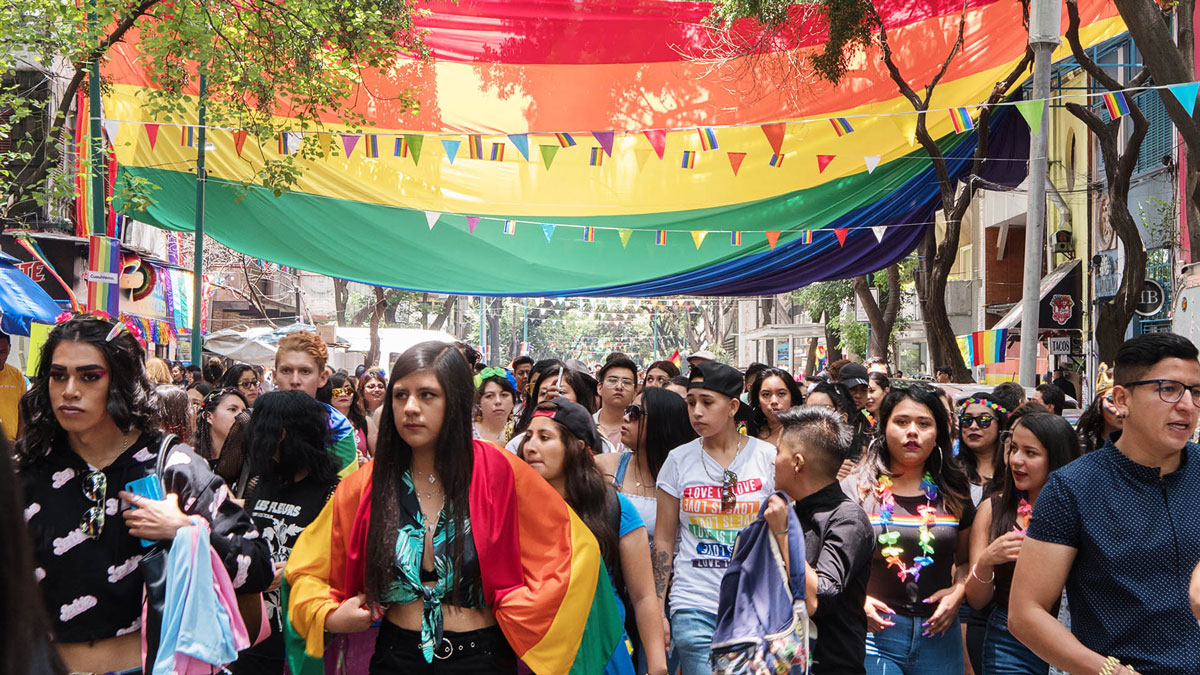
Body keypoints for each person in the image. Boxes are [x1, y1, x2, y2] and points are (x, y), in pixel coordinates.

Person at [284, 341, 630, 675]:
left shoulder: (501, 472)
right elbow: (306, 568)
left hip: (483, 657)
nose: (410, 408)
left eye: (427, 395)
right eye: (400, 395)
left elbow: (576, 551)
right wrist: (329, 616)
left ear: (457, 401)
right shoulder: (368, 483)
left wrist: (518, 609)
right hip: (395, 656)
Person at [16, 313, 272, 674]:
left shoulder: (174, 468)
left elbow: (258, 567)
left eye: (89, 376)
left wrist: (184, 528)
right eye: (59, 375)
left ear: (120, 381)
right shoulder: (24, 471)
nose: (69, 390)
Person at [1010, 332, 1200, 675]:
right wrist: (1108, 671)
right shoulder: (1073, 488)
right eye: (1168, 389)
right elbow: (1026, 613)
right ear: (1121, 399)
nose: (1187, 405)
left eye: (1196, 392)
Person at [519, 398, 667, 675]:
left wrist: (657, 666)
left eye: (544, 437)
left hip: (603, 655)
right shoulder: (514, 509)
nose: (531, 447)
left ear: (576, 447)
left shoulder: (613, 507)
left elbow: (644, 595)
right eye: (528, 437)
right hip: (535, 657)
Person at [652, 361, 777, 675]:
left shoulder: (768, 458)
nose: (696, 412)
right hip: (693, 605)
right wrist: (657, 607)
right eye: (691, 403)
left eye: (707, 403)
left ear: (733, 406)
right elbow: (665, 539)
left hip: (756, 606)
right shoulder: (677, 461)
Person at [842, 384, 974, 674]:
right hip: (873, 634)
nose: (912, 431)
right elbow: (832, 565)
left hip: (938, 633)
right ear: (884, 427)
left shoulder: (954, 490)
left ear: (938, 432)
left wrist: (958, 592)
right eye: (901, 422)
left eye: (923, 423)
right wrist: (857, 600)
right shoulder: (857, 490)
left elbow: (965, 561)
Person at [231, 391, 341, 675]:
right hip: (251, 636)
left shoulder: (334, 493)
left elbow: (343, 566)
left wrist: (293, 572)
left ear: (281, 435)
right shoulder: (259, 483)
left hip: (300, 639)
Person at [966, 411, 1079, 675]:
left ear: (1057, 457)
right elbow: (977, 601)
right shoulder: (993, 510)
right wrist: (986, 562)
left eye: (1030, 453)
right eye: (1013, 448)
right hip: (1009, 639)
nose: (1016, 460)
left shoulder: (1084, 511)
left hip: (1072, 637)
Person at [776, 407, 875, 674]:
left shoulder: (848, 519)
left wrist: (784, 532)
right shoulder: (788, 511)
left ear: (797, 462)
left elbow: (817, 598)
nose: (772, 462)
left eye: (778, 453)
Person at [596, 386, 697, 544]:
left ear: (662, 423)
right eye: (627, 410)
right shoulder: (604, 466)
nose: (626, 417)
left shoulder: (689, 478)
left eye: (635, 413)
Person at [273, 332, 358, 477]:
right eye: (286, 371)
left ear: (322, 378)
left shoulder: (338, 428)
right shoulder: (255, 421)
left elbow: (345, 494)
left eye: (305, 371)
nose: (295, 380)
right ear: (275, 376)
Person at [956, 394, 1009, 505]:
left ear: (1000, 426)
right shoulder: (950, 469)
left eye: (984, 420)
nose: (973, 426)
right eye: (967, 420)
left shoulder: (1013, 470)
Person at [321, 372, 376, 463]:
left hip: (360, 475)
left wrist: (365, 461)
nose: (343, 394)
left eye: (348, 390)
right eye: (336, 391)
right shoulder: (321, 423)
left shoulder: (365, 422)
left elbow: (379, 459)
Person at [194, 387, 250, 468]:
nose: (241, 416)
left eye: (244, 412)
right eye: (232, 409)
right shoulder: (192, 460)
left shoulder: (249, 463)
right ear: (208, 416)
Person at [749, 367, 806, 446]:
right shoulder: (748, 432)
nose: (774, 401)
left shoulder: (806, 435)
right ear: (758, 400)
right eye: (766, 394)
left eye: (781, 394)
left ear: (792, 398)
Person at [1076, 366, 1124, 454]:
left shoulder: (1146, 447)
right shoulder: (1081, 446)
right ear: (1100, 402)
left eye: (1125, 401)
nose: (1120, 409)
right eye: (1112, 400)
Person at [595, 358, 637, 452]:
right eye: (613, 380)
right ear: (600, 388)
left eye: (626, 382)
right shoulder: (586, 426)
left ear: (635, 393)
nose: (619, 387)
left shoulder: (639, 432)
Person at [473, 368, 516, 445]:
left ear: (513, 401)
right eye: (489, 396)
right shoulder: (467, 433)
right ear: (479, 402)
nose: (498, 401)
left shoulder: (521, 432)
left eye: (504, 395)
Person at [0, 331, 28, 441]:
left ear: (9, 349)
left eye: (3, 352)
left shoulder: (17, 375)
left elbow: (22, 414)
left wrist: (19, 442)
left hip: (10, 444)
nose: (0, 357)